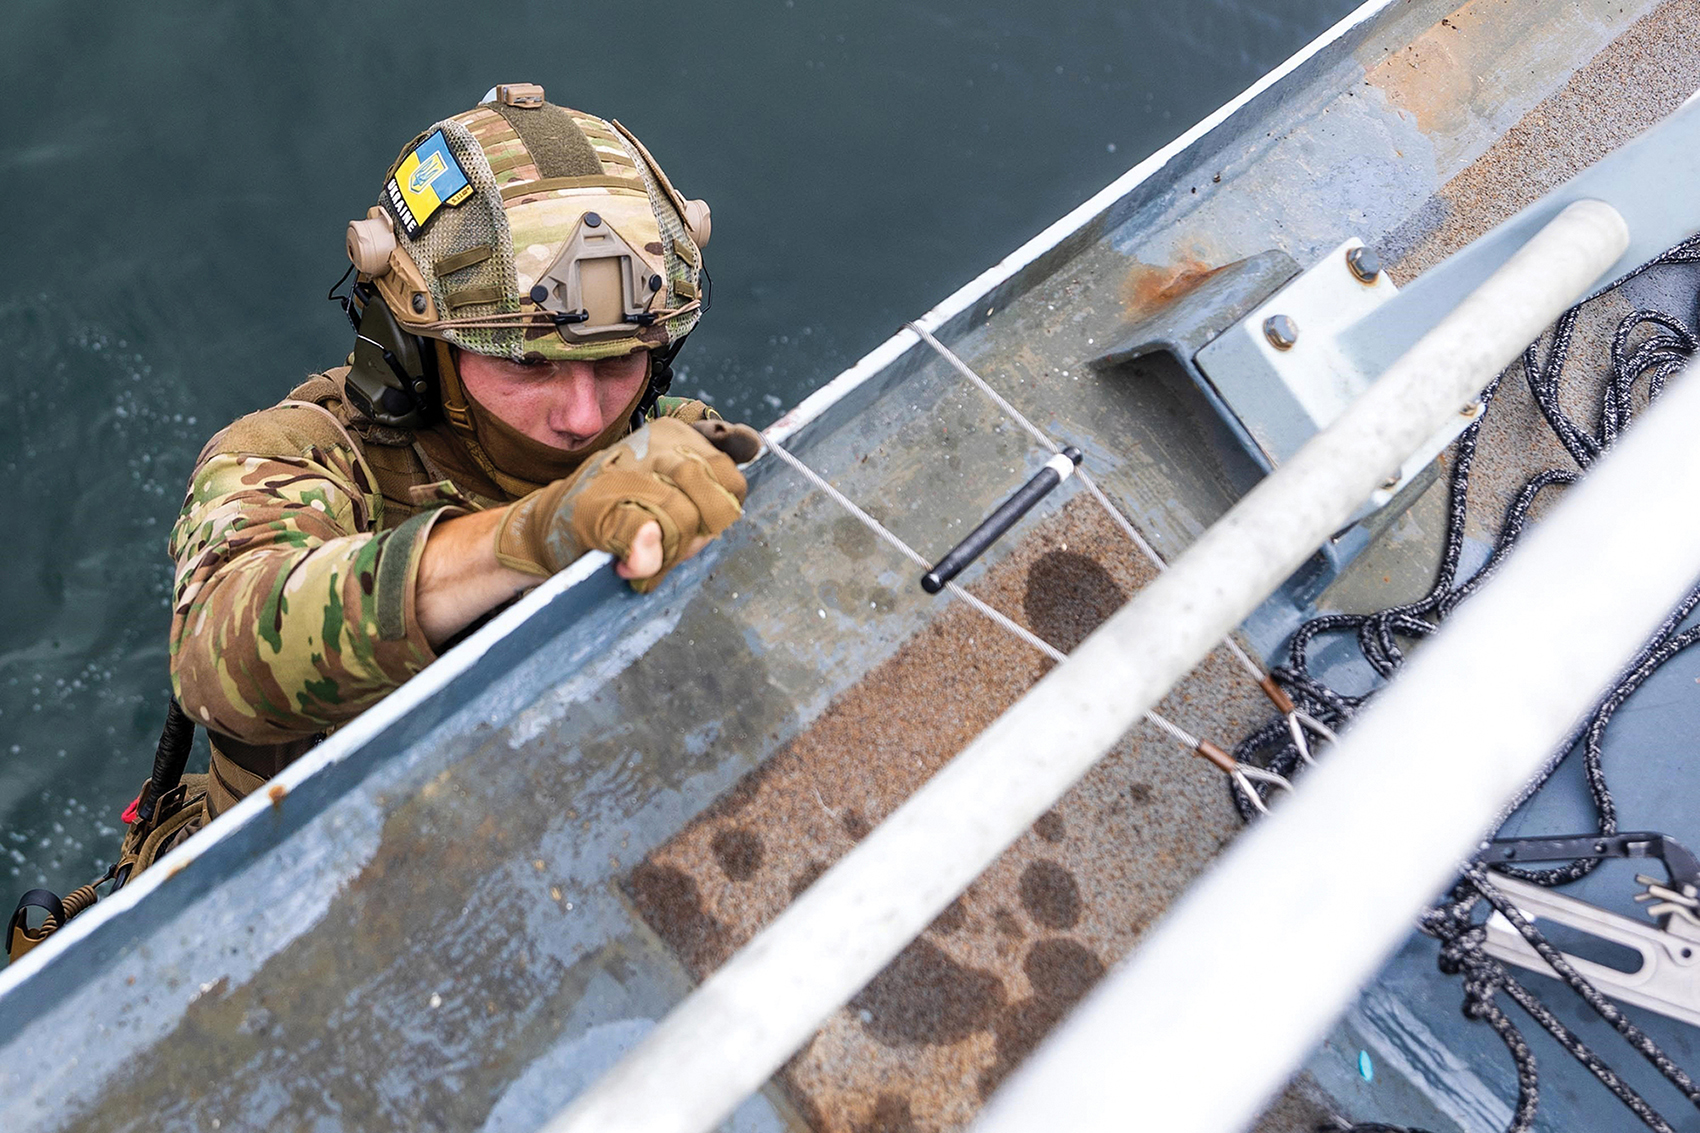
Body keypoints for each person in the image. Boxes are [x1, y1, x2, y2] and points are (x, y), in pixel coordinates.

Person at [167, 83, 758, 817]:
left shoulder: (674, 444)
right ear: (417, 351)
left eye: (617, 362)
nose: (583, 416)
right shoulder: (296, 454)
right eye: (528, 363)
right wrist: (534, 536)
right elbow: (219, 660)